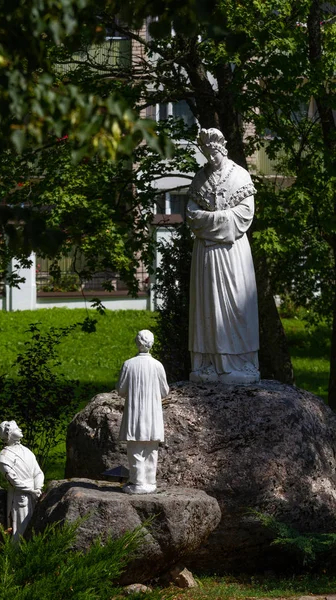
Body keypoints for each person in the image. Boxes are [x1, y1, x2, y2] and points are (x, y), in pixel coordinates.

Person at [187, 128, 260, 384]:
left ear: (223, 150)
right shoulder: (200, 178)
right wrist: (214, 221)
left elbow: (244, 216)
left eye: (214, 152)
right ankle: (207, 364)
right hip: (206, 256)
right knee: (207, 306)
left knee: (236, 306)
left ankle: (240, 363)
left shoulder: (239, 175)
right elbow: (192, 216)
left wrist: (212, 221)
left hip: (232, 254)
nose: (211, 158)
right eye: (207, 153)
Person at [117, 330, 169, 494]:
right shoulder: (157, 365)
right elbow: (165, 391)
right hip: (152, 414)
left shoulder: (129, 364)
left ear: (137, 343)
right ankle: (150, 481)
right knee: (151, 449)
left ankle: (138, 482)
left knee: (135, 449)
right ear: (151, 344)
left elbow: (120, 390)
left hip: (135, 413)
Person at [0, 420, 44, 541]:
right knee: (21, 530)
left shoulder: (27, 451)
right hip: (20, 499)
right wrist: (31, 490)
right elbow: (14, 481)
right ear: (9, 434)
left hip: (35, 494)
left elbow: (37, 472)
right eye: (17, 429)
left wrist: (37, 488)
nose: (20, 430)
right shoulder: (4, 457)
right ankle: (17, 556)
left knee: (36, 529)